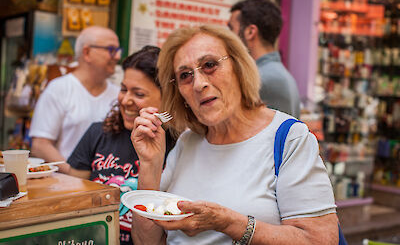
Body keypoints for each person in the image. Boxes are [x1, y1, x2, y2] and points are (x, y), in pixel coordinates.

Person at [130, 24, 339, 244]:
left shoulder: (289, 138)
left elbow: (319, 240)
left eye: (209, 65)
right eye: (185, 75)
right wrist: (150, 165)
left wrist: (228, 223)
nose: (199, 84)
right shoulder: (187, 142)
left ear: (238, 67)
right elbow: (147, 242)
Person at [66, 46, 176, 245]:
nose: (126, 100)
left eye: (139, 94)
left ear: (168, 97)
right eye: (124, 89)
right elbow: (72, 201)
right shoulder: (97, 133)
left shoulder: (180, 147)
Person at [29, 26, 121, 173]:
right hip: (66, 185)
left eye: (117, 51)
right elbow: (40, 145)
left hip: (108, 185)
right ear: (87, 52)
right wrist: (74, 172)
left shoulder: (119, 94)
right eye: (111, 49)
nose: (117, 57)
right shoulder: (58, 89)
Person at [228, 0, 301, 118]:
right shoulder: (279, 74)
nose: (228, 36)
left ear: (250, 32)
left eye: (231, 29)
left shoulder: (260, 79)